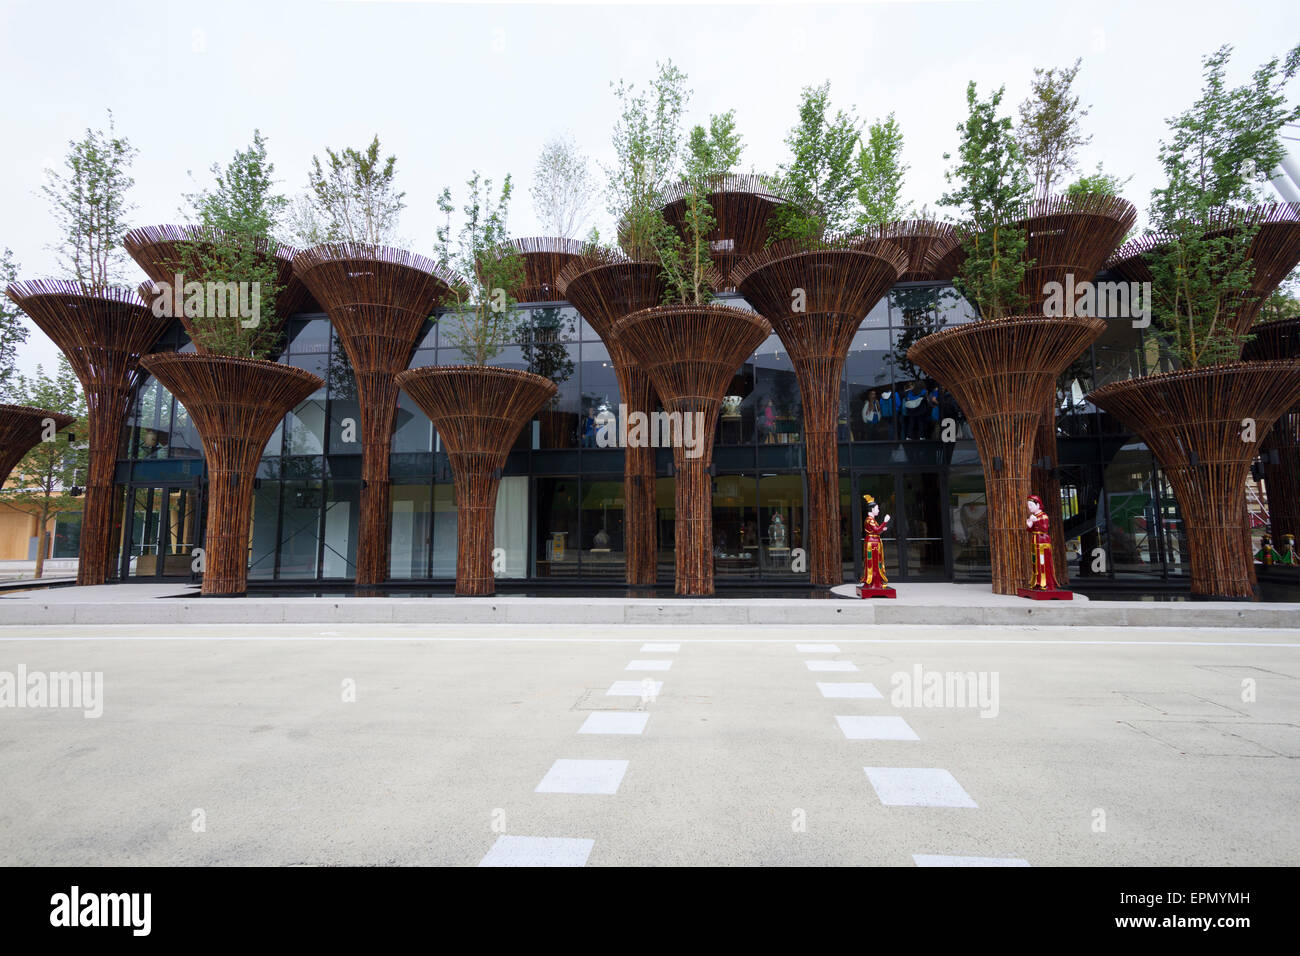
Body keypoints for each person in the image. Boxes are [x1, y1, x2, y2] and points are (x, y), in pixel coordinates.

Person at [1025, 494, 1058, 590]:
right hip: (1035, 540)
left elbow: (1045, 528)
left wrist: (1036, 522)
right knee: (1035, 561)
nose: (1029, 508)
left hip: (1043, 542)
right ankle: (1037, 581)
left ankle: (1045, 582)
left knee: (1043, 562)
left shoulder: (1043, 516)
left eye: (1031, 505)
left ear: (1038, 505)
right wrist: (1029, 525)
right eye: (1028, 506)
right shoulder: (1034, 516)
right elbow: (1031, 530)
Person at [860, 494, 892, 589]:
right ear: (872, 509)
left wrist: (882, 528)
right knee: (873, 563)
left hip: (873, 542)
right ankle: (874, 582)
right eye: (877, 508)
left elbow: (877, 530)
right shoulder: (870, 520)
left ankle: (877, 582)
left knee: (876, 562)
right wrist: (885, 522)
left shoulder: (871, 520)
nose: (878, 510)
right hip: (872, 544)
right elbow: (877, 530)